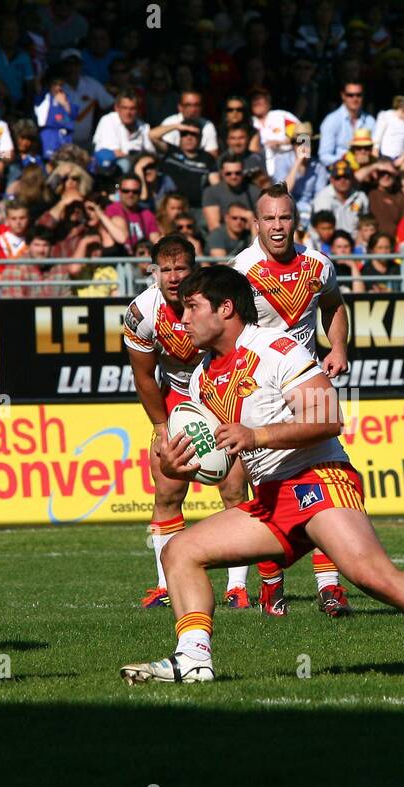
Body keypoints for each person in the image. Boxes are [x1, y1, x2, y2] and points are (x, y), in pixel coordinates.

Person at [120, 266, 404, 683]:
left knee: (370, 574)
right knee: (179, 551)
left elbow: (329, 419)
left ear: (225, 308)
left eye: (192, 307)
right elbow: (217, 455)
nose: (182, 319)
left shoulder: (276, 348)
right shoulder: (203, 376)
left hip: (319, 479)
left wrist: (256, 435)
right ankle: (193, 661)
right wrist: (177, 464)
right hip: (273, 499)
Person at [233, 184, 353, 617]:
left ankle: (330, 586)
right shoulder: (241, 270)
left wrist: (337, 348)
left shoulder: (319, 264)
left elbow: (334, 306)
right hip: (260, 389)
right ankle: (272, 587)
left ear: (294, 220)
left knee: (331, 477)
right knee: (268, 491)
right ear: (257, 223)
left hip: (308, 382)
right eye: (270, 219)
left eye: (285, 218)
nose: (278, 226)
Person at [124, 237, 251, 611]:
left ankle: (237, 586)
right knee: (166, 493)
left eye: (181, 268)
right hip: (176, 401)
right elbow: (144, 377)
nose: (174, 277)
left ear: (194, 269)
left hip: (219, 393)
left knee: (232, 488)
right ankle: (166, 584)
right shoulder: (143, 311)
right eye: (166, 270)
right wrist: (162, 427)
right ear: (154, 272)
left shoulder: (215, 300)